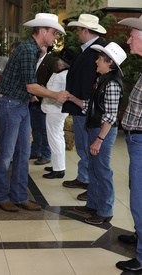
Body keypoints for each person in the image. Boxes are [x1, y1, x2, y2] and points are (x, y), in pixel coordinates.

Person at [0, 13, 68, 212]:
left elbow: (25, 85)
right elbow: (31, 86)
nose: (55, 37)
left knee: (23, 152)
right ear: (42, 31)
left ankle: (19, 196)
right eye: (53, 33)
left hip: (19, 105)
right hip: (10, 106)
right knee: (7, 153)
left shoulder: (31, 49)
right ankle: (0, 196)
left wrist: (35, 94)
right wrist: (55, 94)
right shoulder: (27, 50)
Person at [68, 42, 126, 225]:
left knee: (102, 171)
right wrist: (72, 98)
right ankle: (93, 204)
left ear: (109, 63)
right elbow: (91, 107)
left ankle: (105, 210)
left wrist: (99, 140)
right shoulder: (103, 80)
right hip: (94, 129)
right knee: (93, 169)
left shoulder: (112, 84)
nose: (96, 62)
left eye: (100, 59)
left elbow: (109, 117)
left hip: (102, 133)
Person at [61, 14, 108, 202]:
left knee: (89, 147)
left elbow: (96, 82)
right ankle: (84, 177)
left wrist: (83, 103)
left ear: (86, 31)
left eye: (79, 30)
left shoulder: (100, 50)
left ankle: (91, 184)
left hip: (88, 108)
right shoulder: (88, 49)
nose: (77, 34)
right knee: (82, 145)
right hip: (80, 106)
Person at [115, 15, 142, 273]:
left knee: (140, 200)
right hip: (136, 141)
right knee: (136, 194)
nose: (128, 40)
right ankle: (139, 236)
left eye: (132, 36)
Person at [41, 51, 71, 179]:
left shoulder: (60, 76)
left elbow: (52, 92)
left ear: (62, 64)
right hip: (57, 109)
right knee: (58, 137)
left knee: (55, 138)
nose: (57, 62)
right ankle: (57, 164)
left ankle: (59, 169)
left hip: (54, 109)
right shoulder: (66, 74)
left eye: (59, 61)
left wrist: (43, 90)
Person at [29, 45, 57, 165]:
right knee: (35, 128)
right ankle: (36, 151)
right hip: (31, 100)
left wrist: (38, 96)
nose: (39, 48)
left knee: (44, 130)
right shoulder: (31, 60)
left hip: (43, 101)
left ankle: (46, 154)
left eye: (43, 46)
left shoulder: (51, 61)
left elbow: (52, 83)